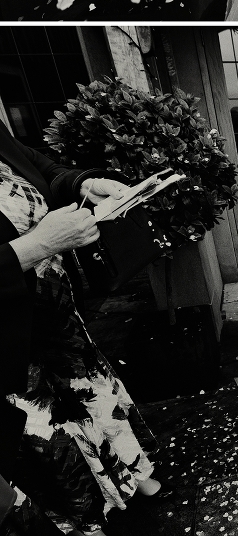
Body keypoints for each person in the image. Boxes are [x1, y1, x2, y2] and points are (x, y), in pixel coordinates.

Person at [0, 115, 162, 521]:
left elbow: (44, 170)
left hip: (55, 307)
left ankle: (130, 473)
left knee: (91, 392)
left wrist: (87, 184)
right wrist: (36, 246)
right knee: (45, 428)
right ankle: (85, 517)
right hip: (8, 339)